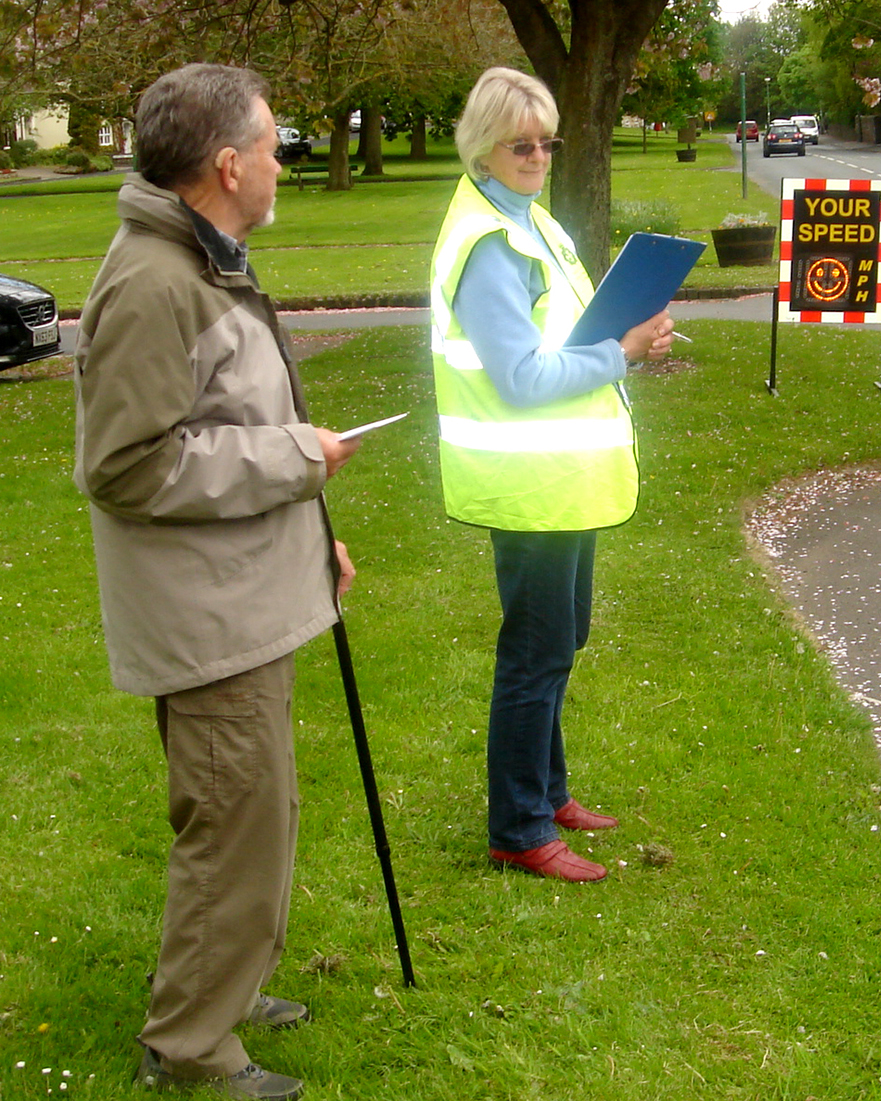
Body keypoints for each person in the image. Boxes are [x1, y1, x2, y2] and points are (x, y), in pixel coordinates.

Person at [72, 63, 360, 1101]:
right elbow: (127, 465)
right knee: (232, 824)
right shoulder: (158, 281)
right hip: (206, 620)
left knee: (258, 812)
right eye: (276, 145)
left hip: (243, 594)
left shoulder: (202, 260)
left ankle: (225, 987)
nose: (286, 162)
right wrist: (296, 463)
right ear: (227, 164)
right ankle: (191, 1045)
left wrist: (308, 536)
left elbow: (223, 428)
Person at [430, 67, 674, 884]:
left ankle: (549, 790)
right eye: (520, 143)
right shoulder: (491, 244)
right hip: (528, 486)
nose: (537, 155)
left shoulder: (529, 221)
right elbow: (522, 378)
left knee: (560, 638)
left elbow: (565, 337)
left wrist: (624, 339)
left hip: (560, 479)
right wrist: (622, 352)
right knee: (533, 654)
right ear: (483, 149)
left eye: (546, 142)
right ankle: (520, 827)